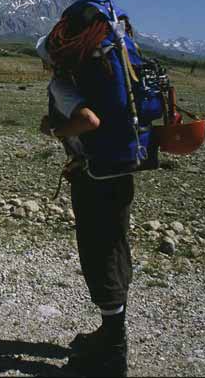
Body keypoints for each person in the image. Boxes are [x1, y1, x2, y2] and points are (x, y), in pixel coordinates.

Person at [36, 33, 132, 377]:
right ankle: (110, 333)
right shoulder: (94, 78)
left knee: (98, 255)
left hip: (93, 177)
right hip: (119, 172)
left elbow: (90, 121)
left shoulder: (63, 85)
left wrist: (56, 130)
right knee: (116, 249)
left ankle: (112, 356)